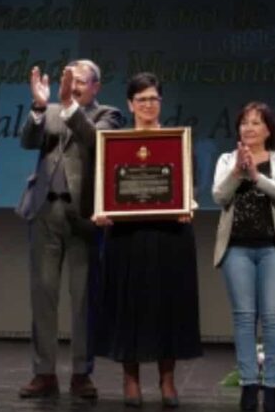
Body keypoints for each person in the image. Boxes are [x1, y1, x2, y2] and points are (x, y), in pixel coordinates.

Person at [16, 59, 125, 399]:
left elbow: (98, 143)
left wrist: (67, 105)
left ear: (95, 86)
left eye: (79, 81)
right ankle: (44, 372)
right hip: (46, 210)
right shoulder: (49, 110)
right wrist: (37, 105)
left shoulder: (108, 114)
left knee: (83, 300)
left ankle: (81, 373)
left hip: (84, 215)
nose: (73, 86)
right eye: (69, 81)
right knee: (43, 296)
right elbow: (28, 140)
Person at [93, 72, 202, 409]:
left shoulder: (177, 141)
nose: (148, 105)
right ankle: (131, 379)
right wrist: (101, 209)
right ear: (130, 104)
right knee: (130, 306)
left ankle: (167, 379)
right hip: (127, 236)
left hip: (170, 234)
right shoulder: (114, 144)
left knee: (168, 306)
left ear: (161, 103)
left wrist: (189, 205)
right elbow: (104, 187)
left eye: (154, 99)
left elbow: (189, 187)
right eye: (141, 100)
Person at [212, 102, 275, 412]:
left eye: (256, 123)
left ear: (268, 130)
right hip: (237, 248)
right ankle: (249, 386)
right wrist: (238, 171)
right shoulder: (226, 159)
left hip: (274, 248)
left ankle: (273, 386)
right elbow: (219, 196)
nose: (248, 128)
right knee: (244, 318)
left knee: (274, 318)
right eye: (244, 122)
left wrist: (256, 176)